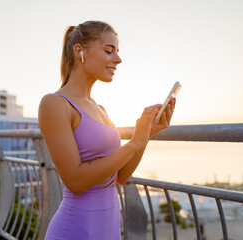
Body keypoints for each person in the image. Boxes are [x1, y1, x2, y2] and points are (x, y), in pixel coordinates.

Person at [38, 20, 176, 240]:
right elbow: (75, 181)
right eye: (109, 51)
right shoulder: (54, 104)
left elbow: (120, 176)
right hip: (74, 230)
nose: (118, 59)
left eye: (117, 52)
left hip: (109, 230)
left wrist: (146, 135)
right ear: (79, 51)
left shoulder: (100, 109)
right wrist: (134, 142)